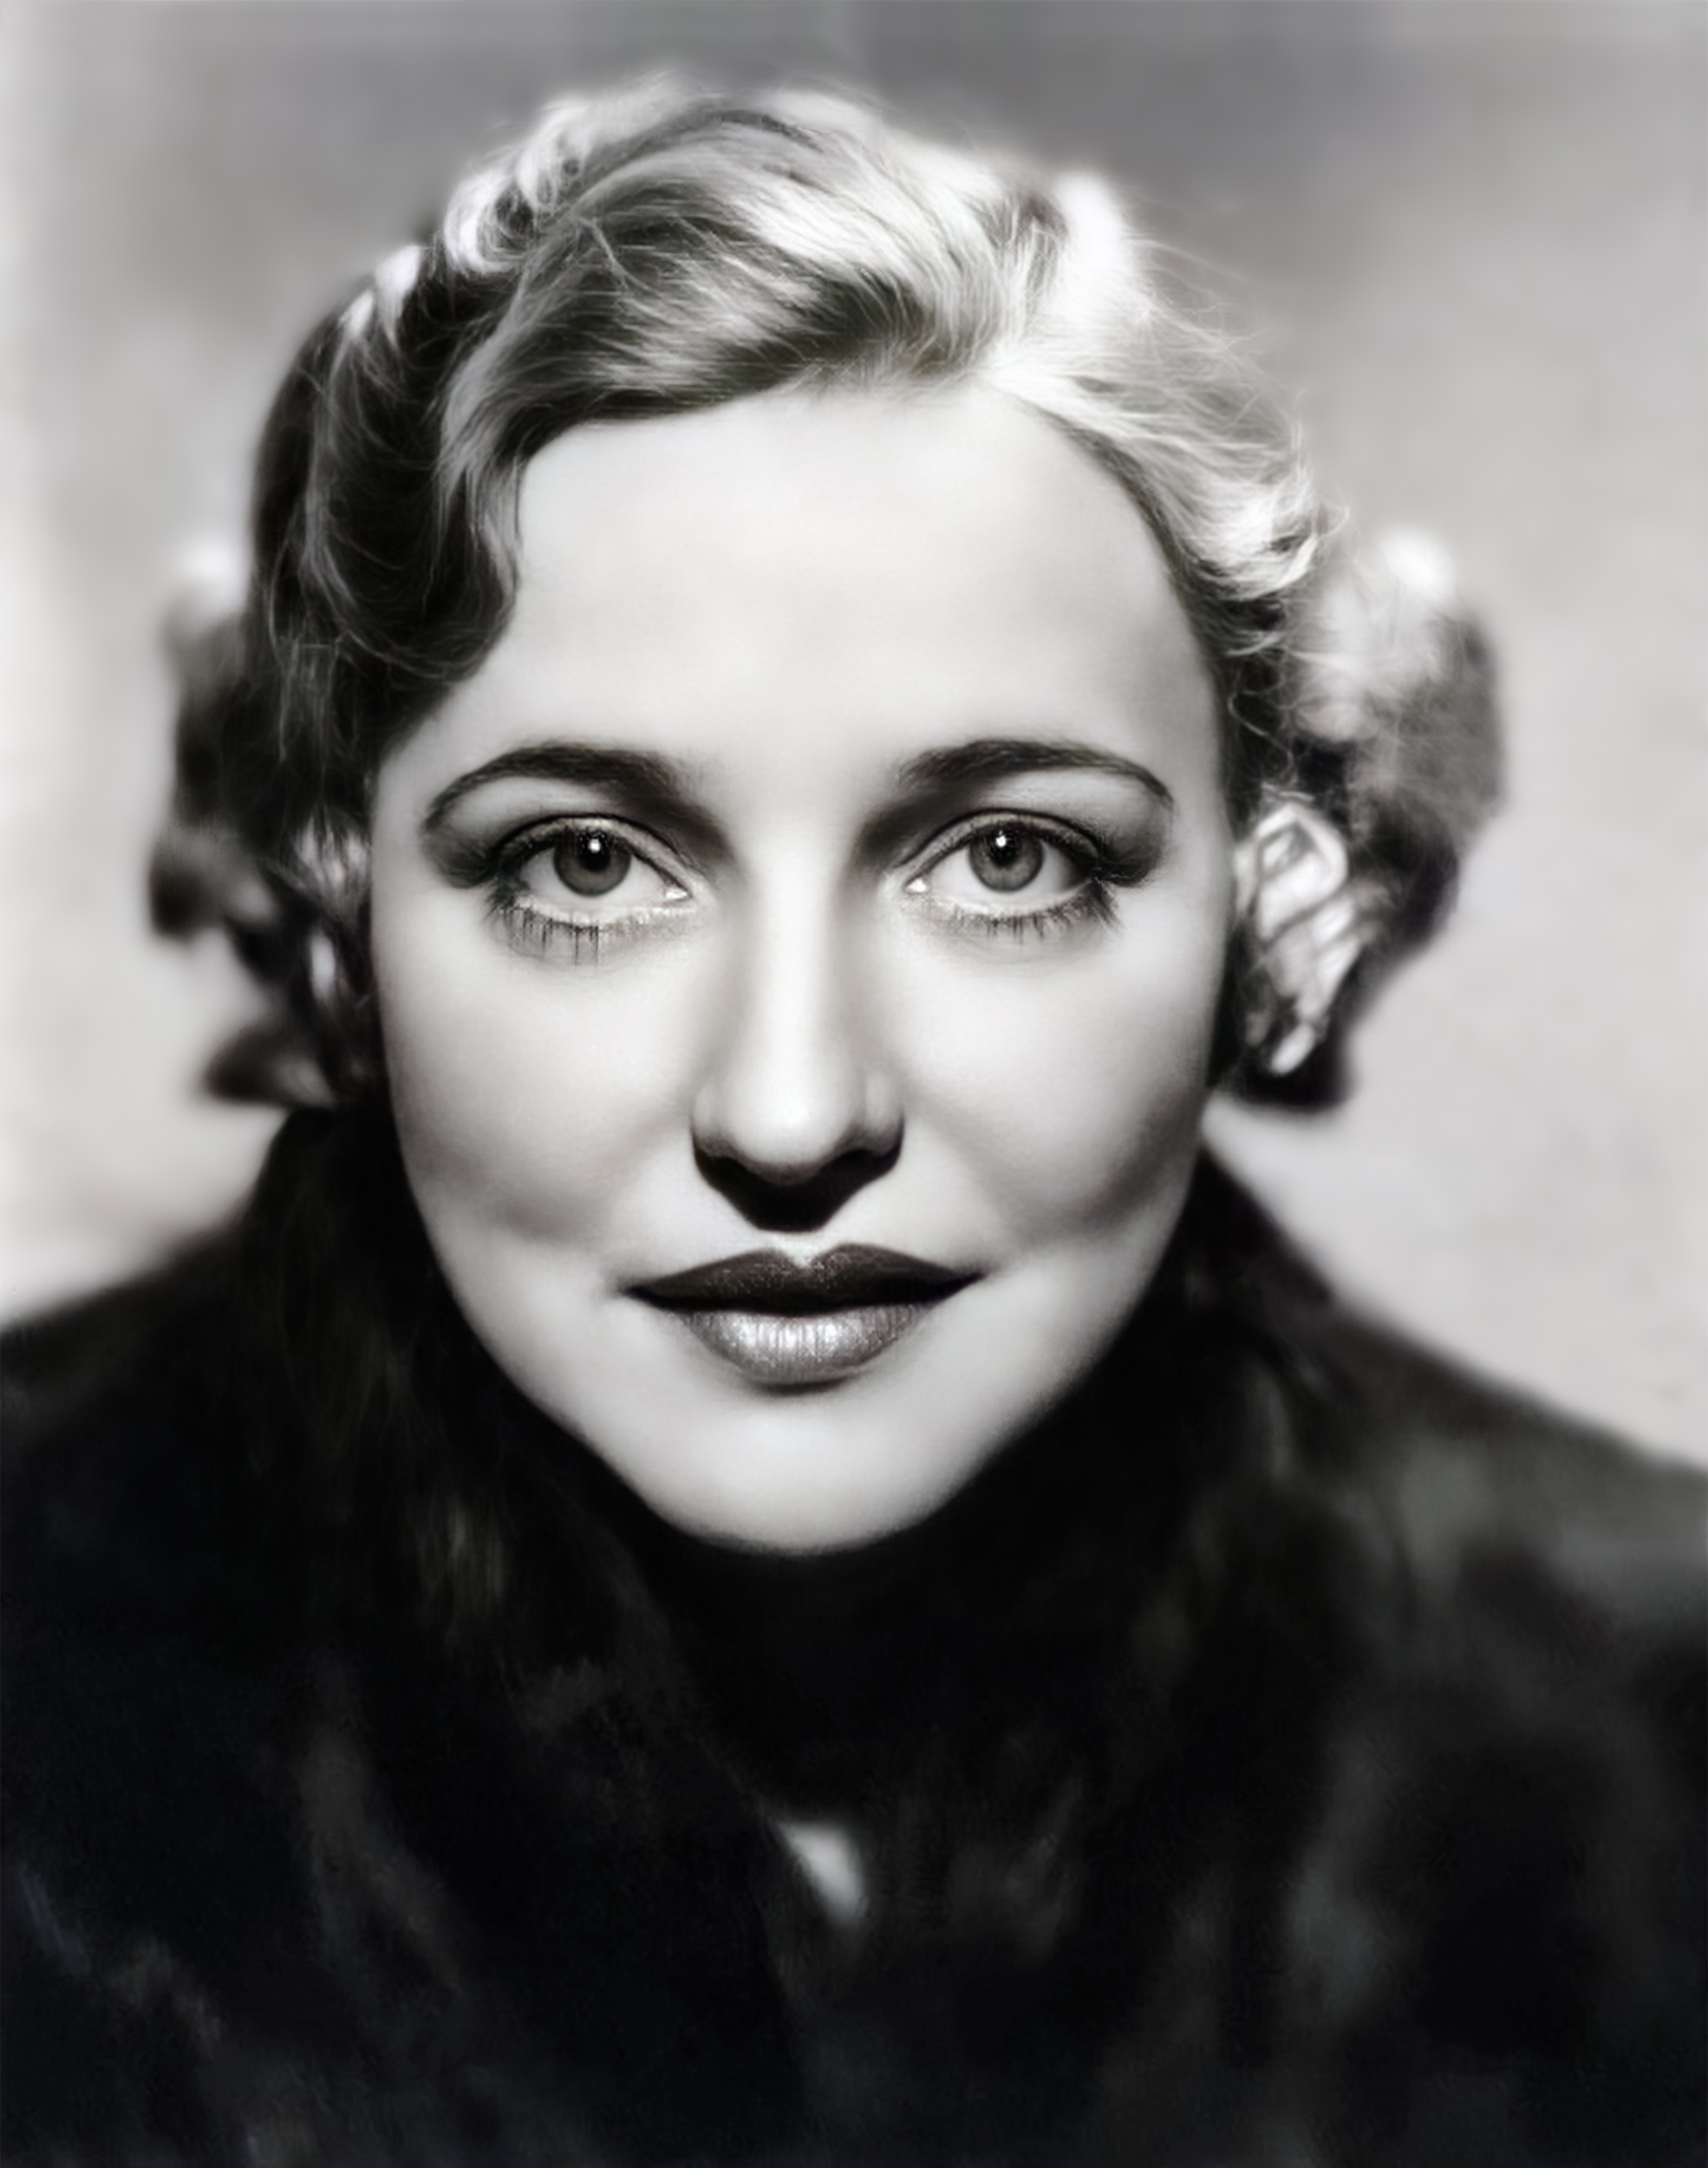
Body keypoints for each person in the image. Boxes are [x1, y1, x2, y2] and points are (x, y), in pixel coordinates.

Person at [3, 82, 1701, 2168]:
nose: (792, 1107)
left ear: (1269, 920)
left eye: (1006, 857)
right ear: (347, 916)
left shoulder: (1656, 1734)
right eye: (586, 863)